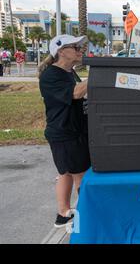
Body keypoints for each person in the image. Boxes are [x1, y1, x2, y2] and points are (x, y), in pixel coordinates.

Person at [38, 34, 91, 228]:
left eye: (80, 47)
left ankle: (63, 215)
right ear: (61, 51)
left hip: (71, 131)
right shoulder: (52, 75)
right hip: (66, 133)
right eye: (75, 47)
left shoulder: (69, 73)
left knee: (66, 173)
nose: (80, 50)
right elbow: (75, 93)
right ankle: (84, 221)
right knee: (81, 176)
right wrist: (100, 74)